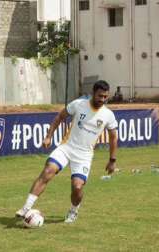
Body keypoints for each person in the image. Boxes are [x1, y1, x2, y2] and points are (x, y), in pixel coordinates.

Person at [16, 80, 118, 223]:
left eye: (105, 97)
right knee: (48, 171)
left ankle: (73, 210)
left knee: (77, 187)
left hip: (84, 155)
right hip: (67, 147)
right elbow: (60, 117)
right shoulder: (79, 104)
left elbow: (113, 137)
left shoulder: (108, 115)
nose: (102, 100)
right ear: (93, 93)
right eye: (100, 96)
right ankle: (26, 207)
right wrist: (48, 136)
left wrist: (112, 160)